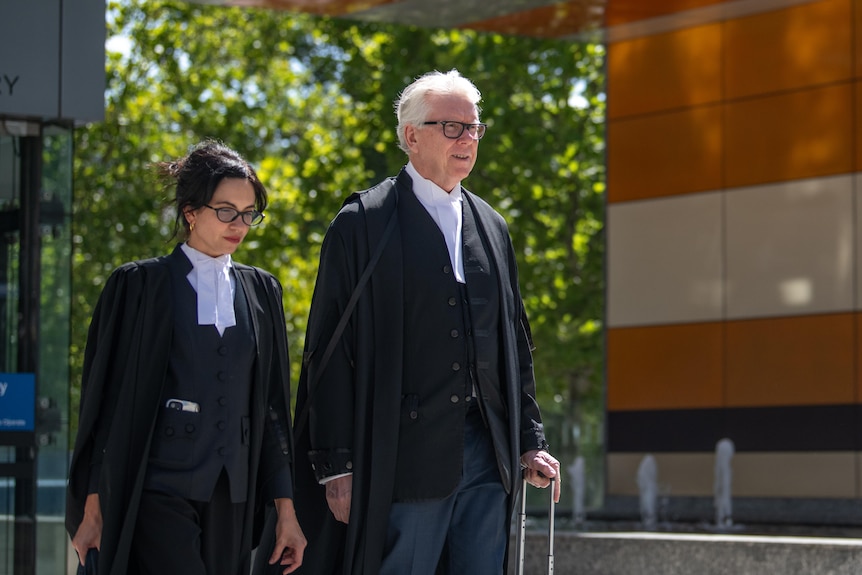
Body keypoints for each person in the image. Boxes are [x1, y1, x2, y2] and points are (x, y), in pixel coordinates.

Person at [291, 69, 561, 575]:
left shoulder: (492, 226)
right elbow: (328, 352)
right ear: (411, 136)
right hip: (402, 458)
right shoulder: (362, 224)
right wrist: (336, 466)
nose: (468, 140)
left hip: (488, 456)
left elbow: (513, 344)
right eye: (452, 127)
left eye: (475, 128)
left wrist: (530, 440)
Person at [65, 140, 307, 575]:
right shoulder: (138, 287)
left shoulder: (262, 292)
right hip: (156, 489)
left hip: (232, 494)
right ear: (191, 212)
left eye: (249, 213)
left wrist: (286, 513)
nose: (240, 224)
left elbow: (272, 412)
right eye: (227, 211)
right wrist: (93, 507)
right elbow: (106, 407)